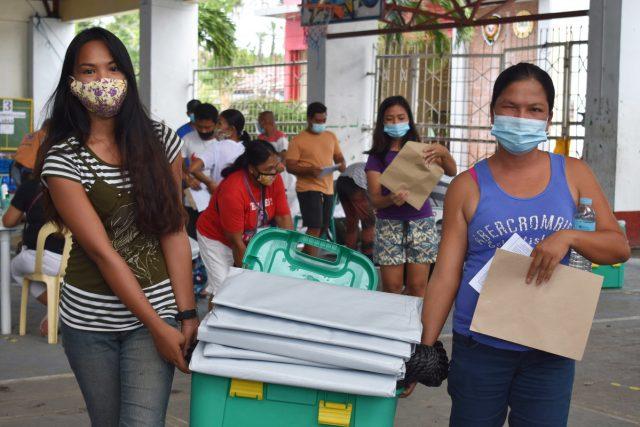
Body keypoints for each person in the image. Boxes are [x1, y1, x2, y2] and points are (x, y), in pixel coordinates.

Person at [412, 63, 630, 424]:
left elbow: (618, 247)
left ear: (548, 118)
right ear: (493, 110)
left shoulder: (574, 174)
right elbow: (447, 274)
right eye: (510, 107)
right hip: (480, 345)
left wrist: (569, 236)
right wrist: (425, 348)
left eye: (534, 110)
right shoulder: (467, 186)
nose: (521, 117)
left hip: (549, 344)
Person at [36, 27, 197, 426]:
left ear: (127, 75)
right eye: (88, 71)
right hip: (90, 322)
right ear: (73, 83)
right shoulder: (63, 159)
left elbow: (174, 229)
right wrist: (157, 326)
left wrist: (186, 313)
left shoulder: (161, 140)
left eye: (111, 68)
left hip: (158, 308)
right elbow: (101, 252)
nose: (102, 80)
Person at [365, 96, 456, 297]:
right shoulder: (376, 157)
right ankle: (392, 327)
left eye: (400, 117)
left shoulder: (421, 150)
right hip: (389, 223)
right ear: (382, 122)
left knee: (418, 288)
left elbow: (451, 171)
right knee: (392, 288)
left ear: (409, 119)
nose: (396, 123)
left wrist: (444, 152)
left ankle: (414, 328)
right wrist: (390, 200)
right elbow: (375, 200)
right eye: (389, 119)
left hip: (421, 222)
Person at [196, 140, 293, 296]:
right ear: (252, 169)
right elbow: (236, 242)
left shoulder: (274, 178)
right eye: (269, 169)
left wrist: (288, 254)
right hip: (216, 238)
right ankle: (214, 318)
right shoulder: (233, 190)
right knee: (223, 291)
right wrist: (249, 277)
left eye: (276, 166)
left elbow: (283, 218)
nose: (275, 172)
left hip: (247, 236)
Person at [2, 175, 65, 336]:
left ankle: (60, 308)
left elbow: (8, 221)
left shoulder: (30, 186)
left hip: (43, 257)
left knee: (15, 269)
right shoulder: (75, 185)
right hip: (72, 259)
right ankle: (61, 309)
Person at [285, 102, 346, 255]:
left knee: (323, 226)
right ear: (309, 119)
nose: (321, 124)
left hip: (328, 188)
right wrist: (309, 170)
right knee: (315, 226)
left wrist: (341, 163)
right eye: (318, 121)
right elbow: (290, 166)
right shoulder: (298, 140)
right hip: (307, 189)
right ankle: (310, 260)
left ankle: (304, 255)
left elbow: (338, 156)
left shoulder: (330, 136)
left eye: (324, 121)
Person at [189, 109, 249, 195]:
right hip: (244, 198)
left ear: (231, 129)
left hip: (221, 198)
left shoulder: (217, 147)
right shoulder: (248, 147)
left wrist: (210, 183)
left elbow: (193, 168)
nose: (215, 127)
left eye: (219, 123)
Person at [181, 103, 219, 238]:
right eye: (199, 127)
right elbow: (179, 163)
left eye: (207, 127)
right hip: (193, 194)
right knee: (193, 230)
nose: (203, 130)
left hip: (217, 193)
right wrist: (187, 178)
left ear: (216, 123)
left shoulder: (222, 142)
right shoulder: (187, 139)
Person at [257, 110, 299, 217]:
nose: (258, 125)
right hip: (266, 175)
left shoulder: (281, 138)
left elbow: (285, 158)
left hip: (281, 175)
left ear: (267, 122)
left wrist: (276, 170)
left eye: (260, 122)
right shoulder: (260, 138)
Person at [335, 162, 374, 259]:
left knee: (352, 220)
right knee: (368, 221)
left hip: (341, 181)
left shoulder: (374, 164)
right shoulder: (385, 172)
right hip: (355, 180)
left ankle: (349, 255)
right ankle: (368, 256)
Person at [11, 120, 50, 186]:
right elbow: (45, 152)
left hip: (15, 166)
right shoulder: (43, 135)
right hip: (29, 168)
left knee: (22, 190)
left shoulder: (29, 135)